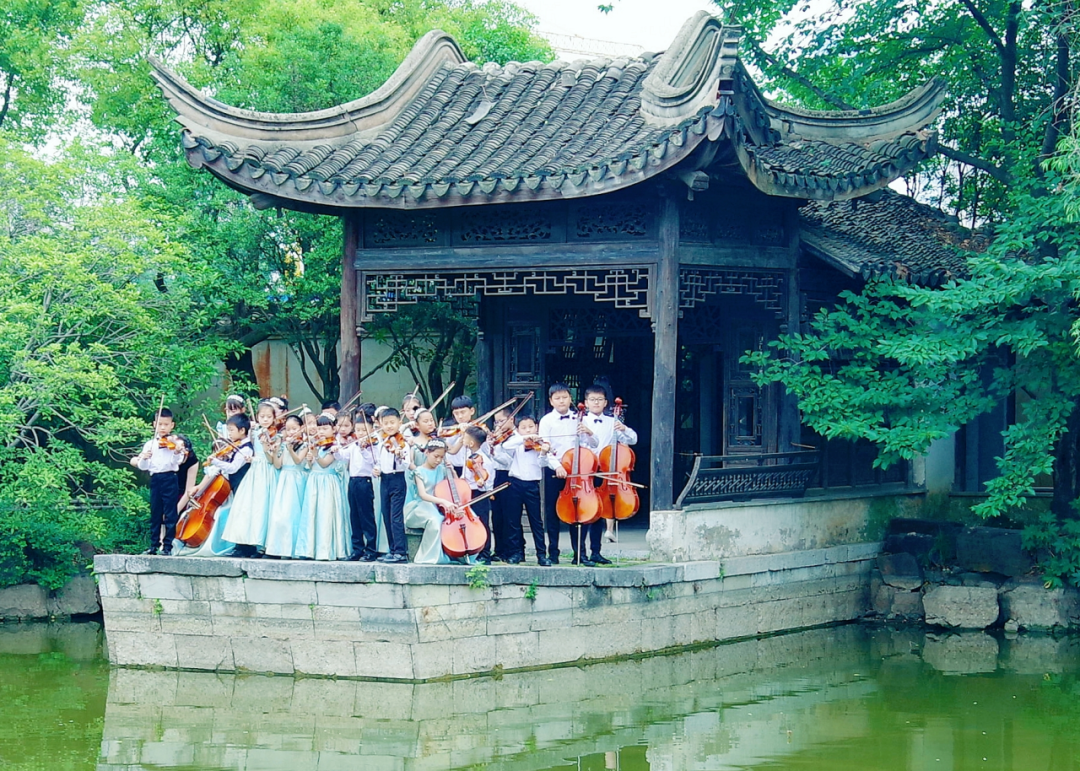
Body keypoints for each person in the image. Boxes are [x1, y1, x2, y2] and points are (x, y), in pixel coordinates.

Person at [581, 384, 638, 564]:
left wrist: (624, 429)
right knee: (585, 511)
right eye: (592, 399)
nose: (596, 403)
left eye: (600, 399)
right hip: (586, 470)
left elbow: (633, 439)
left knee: (600, 511)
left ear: (606, 402)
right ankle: (580, 553)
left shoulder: (612, 422)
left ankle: (596, 552)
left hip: (607, 470)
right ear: (586, 402)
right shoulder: (580, 421)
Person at [538, 383, 590, 565]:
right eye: (557, 398)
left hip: (577, 472)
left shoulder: (579, 418)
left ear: (570, 398)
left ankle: (580, 554)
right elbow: (544, 447)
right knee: (553, 512)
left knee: (578, 513)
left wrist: (589, 433)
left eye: (565, 397)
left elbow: (589, 445)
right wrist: (557, 466)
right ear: (551, 401)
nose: (561, 401)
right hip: (555, 470)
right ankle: (553, 553)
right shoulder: (546, 421)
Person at [222, 400, 280, 557]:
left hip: (268, 472)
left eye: (269, 417)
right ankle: (246, 544)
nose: (265, 419)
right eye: (262, 416)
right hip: (254, 472)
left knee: (266, 507)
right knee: (248, 507)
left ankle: (265, 546)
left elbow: (271, 460)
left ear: (274, 418)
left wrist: (267, 447)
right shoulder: (254, 433)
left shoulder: (276, 436)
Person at [493, 415, 550, 565]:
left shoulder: (540, 443)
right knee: (513, 521)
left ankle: (541, 555)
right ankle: (516, 553)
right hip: (515, 483)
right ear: (517, 430)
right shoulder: (515, 442)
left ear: (536, 427)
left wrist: (544, 453)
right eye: (523, 428)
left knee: (536, 521)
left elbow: (543, 463)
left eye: (531, 427)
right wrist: (523, 438)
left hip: (532, 485)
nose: (528, 430)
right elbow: (506, 446)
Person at [129, 407, 186, 556]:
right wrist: (143, 458)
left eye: (166, 424)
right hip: (155, 479)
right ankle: (153, 546)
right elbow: (144, 467)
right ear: (154, 424)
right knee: (155, 512)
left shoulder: (174, 443)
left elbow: (176, 462)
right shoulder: (150, 444)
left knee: (170, 513)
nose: (162, 428)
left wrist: (176, 451)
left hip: (170, 478)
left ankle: (168, 547)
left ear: (172, 425)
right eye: (160, 424)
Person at [296, 415, 351, 560]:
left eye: (325, 428)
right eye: (319, 428)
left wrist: (315, 455)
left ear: (333, 429)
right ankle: (310, 550)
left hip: (328, 482)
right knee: (313, 514)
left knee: (326, 514)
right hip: (314, 481)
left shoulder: (334, 447)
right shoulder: (317, 444)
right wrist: (309, 460)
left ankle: (326, 550)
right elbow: (310, 466)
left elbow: (324, 463)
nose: (321, 431)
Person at [336, 410, 379, 561]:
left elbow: (372, 461)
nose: (360, 433)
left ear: (372, 430)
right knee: (354, 516)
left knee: (366, 516)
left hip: (365, 482)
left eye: (364, 430)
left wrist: (363, 448)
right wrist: (335, 450)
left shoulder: (372, 446)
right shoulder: (353, 444)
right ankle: (357, 549)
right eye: (358, 430)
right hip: (353, 481)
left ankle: (371, 550)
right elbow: (343, 456)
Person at [264, 415, 307, 559]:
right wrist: (276, 450)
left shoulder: (304, 445)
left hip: (297, 479)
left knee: (294, 514)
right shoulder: (283, 445)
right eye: (288, 429)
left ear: (301, 428)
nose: (291, 432)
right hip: (284, 479)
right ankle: (280, 549)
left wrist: (290, 449)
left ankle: (294, 550)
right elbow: (277, 465)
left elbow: (298, 461)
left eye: (294, 428)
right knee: (280, 515)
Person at [403, 439, 453, 564]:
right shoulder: (418, 471)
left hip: (436, 506)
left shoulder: (442, 469)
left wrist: (452, 471)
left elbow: (454, 486)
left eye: (441, 457)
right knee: (435, 520)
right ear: (426, 453)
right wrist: (443, 501)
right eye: (436, 456)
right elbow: (423, 495)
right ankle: (428, 557)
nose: (438, 460)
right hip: (418, 507)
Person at [375, 407, 411, 563]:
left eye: (392, 422)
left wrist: (400, 455)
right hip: (384, 480)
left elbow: (407, 463)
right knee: (386, 514)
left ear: (399, 423)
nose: (389, 426)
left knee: (396, 517)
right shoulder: (382, 443)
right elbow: (378, 462)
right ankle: (392, 549)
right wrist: (377, 469)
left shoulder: (403, 444)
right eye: (386, 423)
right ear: (381, 424)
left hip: (397, 480)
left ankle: (401, 552)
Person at [461, 425, 494, 564]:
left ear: (471, 443)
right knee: (470, 522)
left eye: (464, 438)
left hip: (480, 493)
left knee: (482, 523)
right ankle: (473, 550)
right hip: (468, 492)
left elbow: (488, 478)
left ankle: (485, 553)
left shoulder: (484, 460)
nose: (462, 440)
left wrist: (482, 481)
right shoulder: (469, 457)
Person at [487, 407, 514, 562]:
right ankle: (498, 550)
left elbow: (508, 462)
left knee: (508, 515)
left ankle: (511, 550)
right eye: (496, 422)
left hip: (507, 475)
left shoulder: (515, 438)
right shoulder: (496, 438)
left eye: (501, 421)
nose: (498, 425)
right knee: (497, 515)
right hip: (495, 476)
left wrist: (495, 451)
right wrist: (490, 446)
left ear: (511, 419)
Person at [443, 395, 477, 475]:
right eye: (456, 413)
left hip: (472, 467)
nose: (460, 416)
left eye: (463, 412)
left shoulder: (477, 429)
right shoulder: (450, 430)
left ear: (472, 411)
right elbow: (449, 449)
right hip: (453, 467)